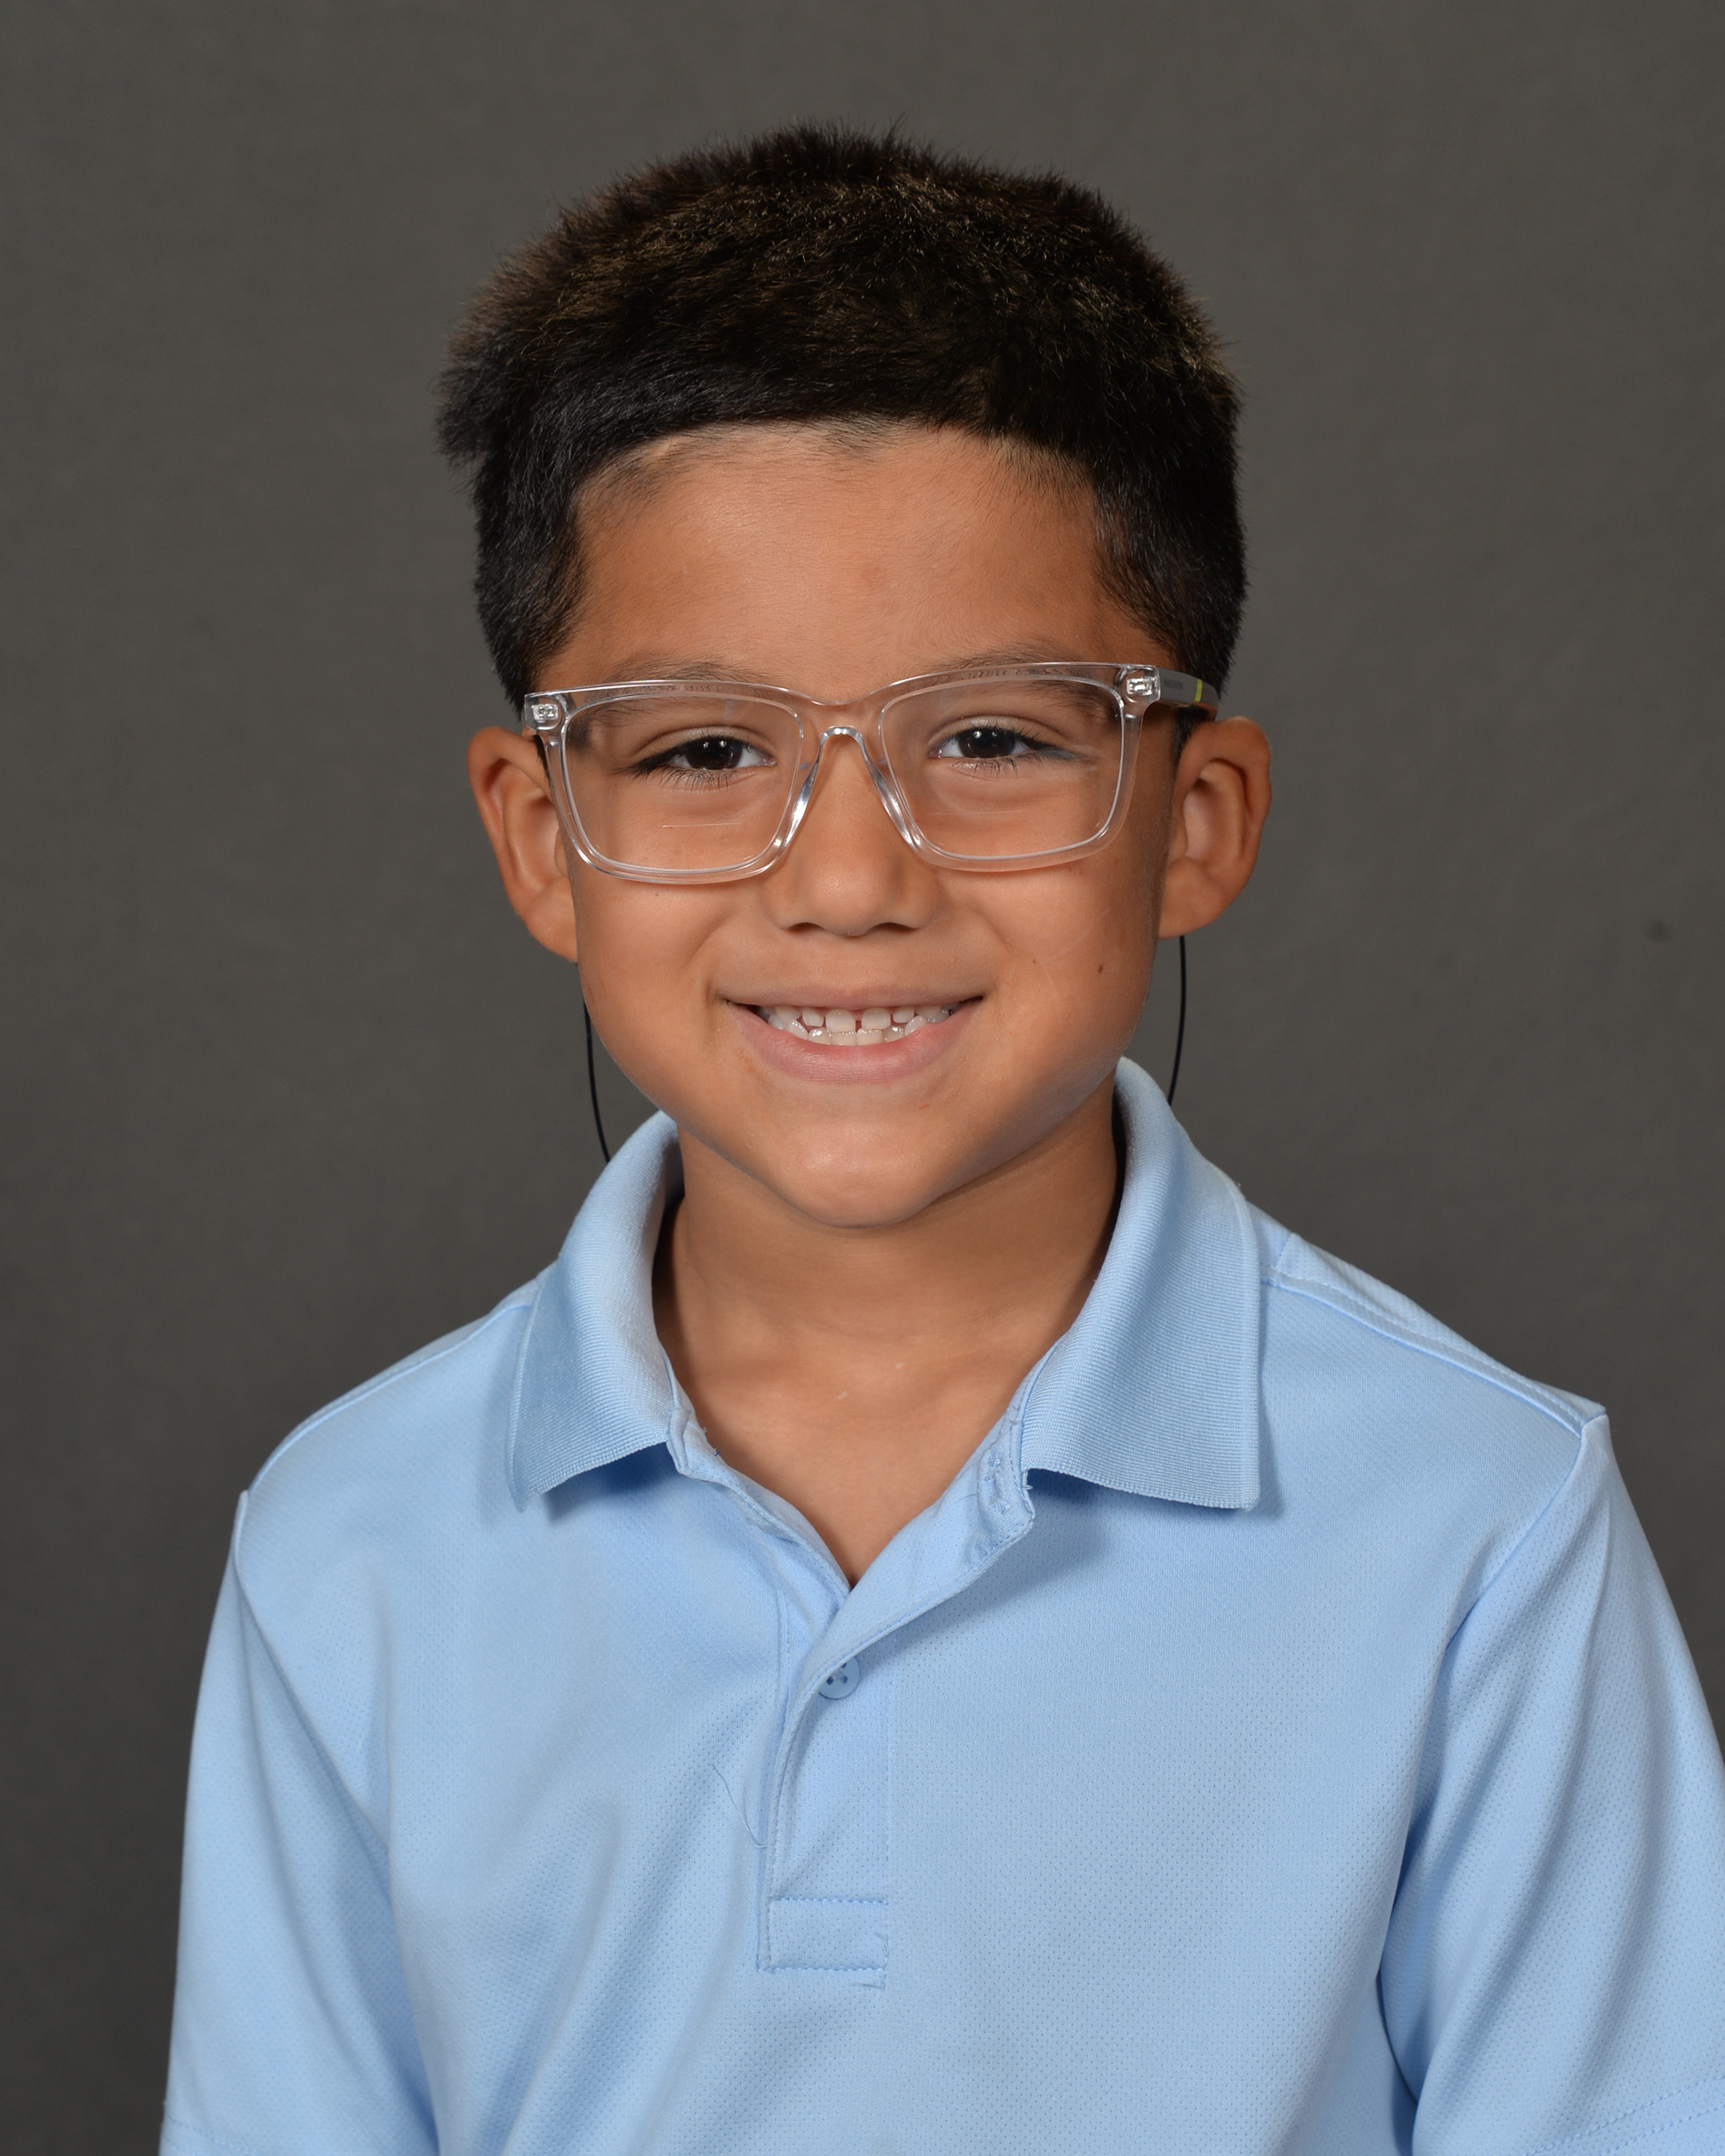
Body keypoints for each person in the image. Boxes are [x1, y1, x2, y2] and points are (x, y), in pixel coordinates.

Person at [160, 128, 1725, 2156]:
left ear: (1200, 820)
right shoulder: (353, 1543)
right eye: (703, 749)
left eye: (992, 739)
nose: (847, 882)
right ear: (543, 839)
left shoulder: (1478, 1527)